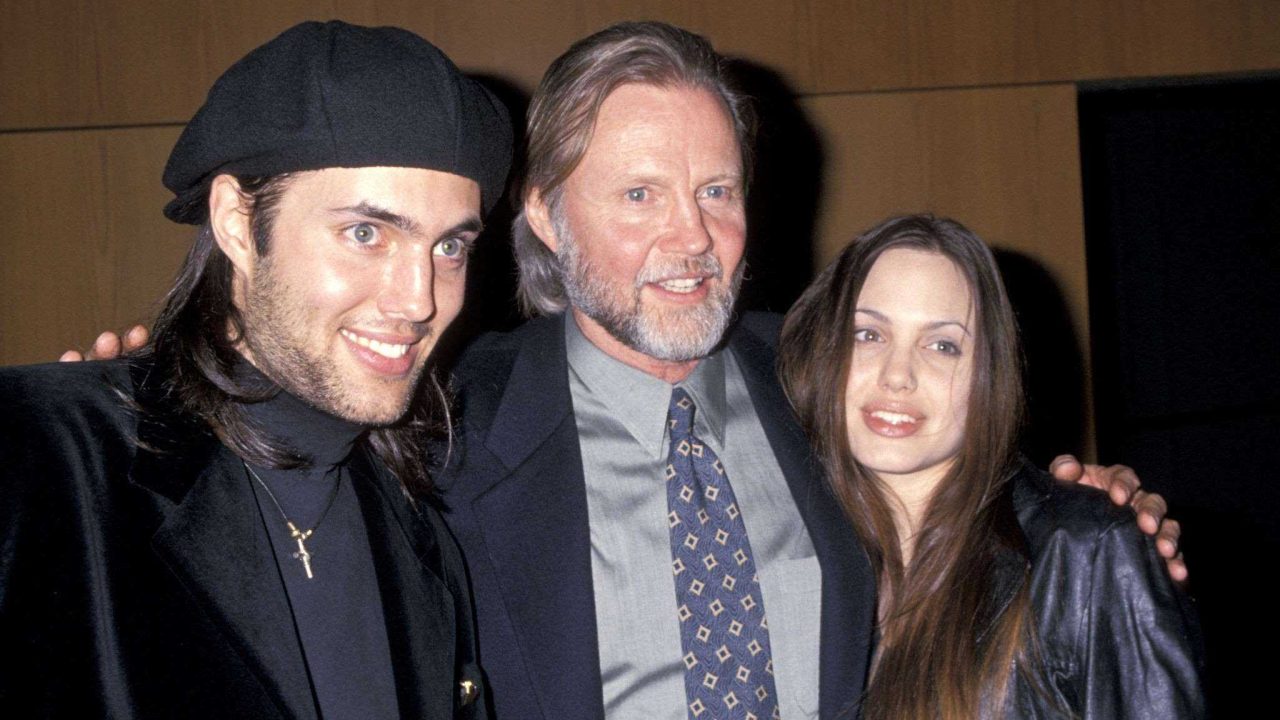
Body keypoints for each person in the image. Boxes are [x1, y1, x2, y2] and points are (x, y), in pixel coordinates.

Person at [58, 21, 1183, 720]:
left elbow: (969, 483)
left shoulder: (822, 380)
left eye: (716, 192)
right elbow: (266, 458)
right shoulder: (438, 424)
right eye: (639, 195)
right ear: (546, 217)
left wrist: (1094, 516)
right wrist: (161, 397)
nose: (691, 240)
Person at [0, 21, 511, 719]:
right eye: (366, 233)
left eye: (449, 247)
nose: (418, 300)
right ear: (238, 224)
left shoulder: (419, 535)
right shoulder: (45, 466)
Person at [778, 214, 1204, 718]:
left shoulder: (1079, 552)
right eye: (868, 334)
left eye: (943, 346)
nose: (897, 375)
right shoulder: (794, 555)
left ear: (989, 376)